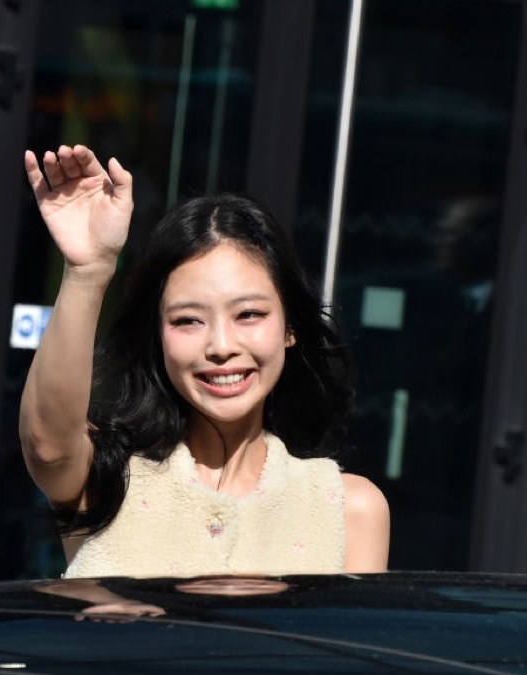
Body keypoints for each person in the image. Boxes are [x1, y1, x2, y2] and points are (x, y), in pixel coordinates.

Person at [20, 144, 390, 578]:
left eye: (249, 314)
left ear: (290, 327)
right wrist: (87, 271)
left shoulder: (349, 507)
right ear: (157, 336)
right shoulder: (107, 478)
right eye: (188, 320)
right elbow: (47, 445)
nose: (220, 345)